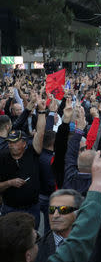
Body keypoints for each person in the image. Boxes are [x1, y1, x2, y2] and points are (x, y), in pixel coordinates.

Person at [0, 149, 101, 262]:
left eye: (64, 209)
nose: (56, 215)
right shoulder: (45, 259)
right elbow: (77, 246)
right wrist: (98, 183)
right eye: (34, 240)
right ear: (28, 257)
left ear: (77, 213)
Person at [0, 96, 46, 229]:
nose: (11, 145)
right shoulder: (2, 157)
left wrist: (42, 112)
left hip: (32, 209)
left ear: (24, 143)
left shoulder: (32, 152)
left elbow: (41, 133)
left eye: (15, 142)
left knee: (32, 239)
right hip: (10, 209)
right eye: (9, 142)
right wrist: (10, 183)